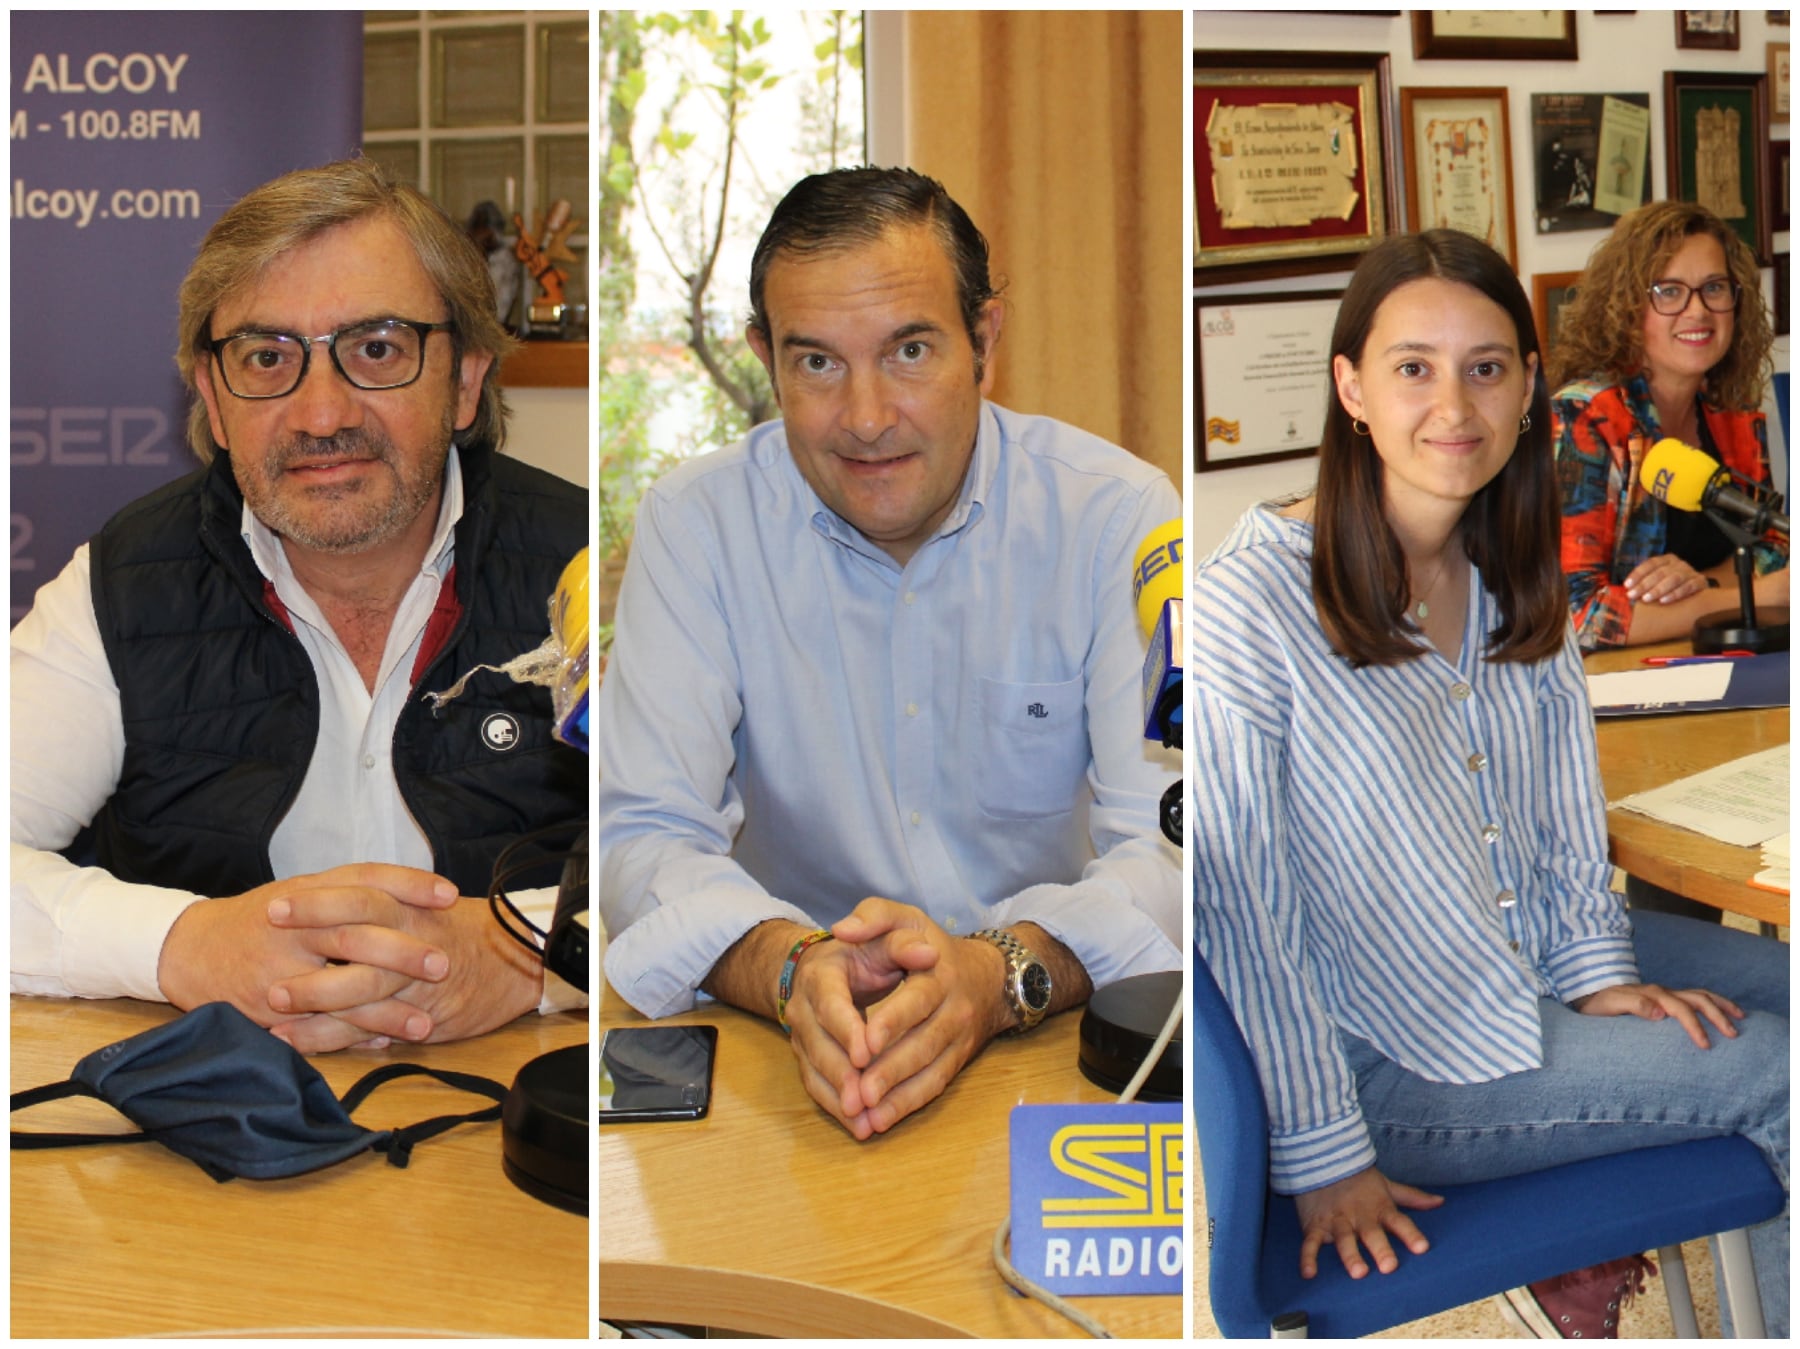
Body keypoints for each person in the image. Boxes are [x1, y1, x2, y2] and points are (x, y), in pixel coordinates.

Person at [1193, 229, 1788, 1339]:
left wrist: (1598, 973)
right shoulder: (1250, 604)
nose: (1453, 405)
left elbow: (1560, 826)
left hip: (1515, 957)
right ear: (1351, 388)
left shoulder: (1515, 579)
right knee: (1782, 1072)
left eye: (1487, 366)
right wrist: (1325, 1154)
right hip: (1390, 1055)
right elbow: (1242, 912)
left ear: (1527, 389)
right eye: (1413, 366)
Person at [597, 167, 1181, 1141]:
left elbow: (1169, 842)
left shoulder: (1118, 518)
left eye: (909, 350)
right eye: (818, 363)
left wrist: (999, 972)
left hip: (1052, 1050)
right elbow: (642, 834)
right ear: (764, 359)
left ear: (984, 339)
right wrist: (790, 965)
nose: (865, 417)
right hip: (787, 1060)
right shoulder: (694, 525)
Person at [11, 159, 588, 1054]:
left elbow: (724, 858)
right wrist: (180, 944)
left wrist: (531, 949)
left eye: (377, 348)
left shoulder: (594, 570)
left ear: (466, 379)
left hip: (517, 1126)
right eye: (267, 357)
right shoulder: (124, 582)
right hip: (217, 1145)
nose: (321, 413)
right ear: (210, 393)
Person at [1550, 200, 1786, 651]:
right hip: (1621, 690)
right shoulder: (1584, 418)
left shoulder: (1733, 412)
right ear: (1626, 306)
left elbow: (1772, 551)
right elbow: (1576, 615)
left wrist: (1702, 583)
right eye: (1669, 291)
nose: (1697, 311)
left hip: (1713, 664)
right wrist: (1754, 596)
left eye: (1713, 287)